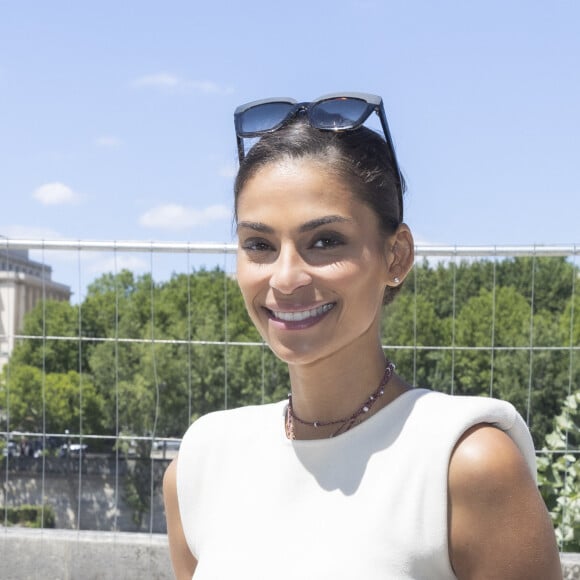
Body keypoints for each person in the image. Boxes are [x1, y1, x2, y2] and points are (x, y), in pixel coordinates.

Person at [163, 93, 562, 579]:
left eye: (325, 241)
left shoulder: (465, 463)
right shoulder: (202, 463)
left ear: (396, 257)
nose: (285, 277)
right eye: (259, 245)